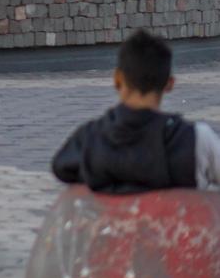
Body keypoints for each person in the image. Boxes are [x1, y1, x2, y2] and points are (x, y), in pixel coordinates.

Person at [51, 30, 219, 193]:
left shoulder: (88, 138)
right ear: (169, 84)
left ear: (117, 79)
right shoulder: (197, 139)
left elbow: (61, 168)